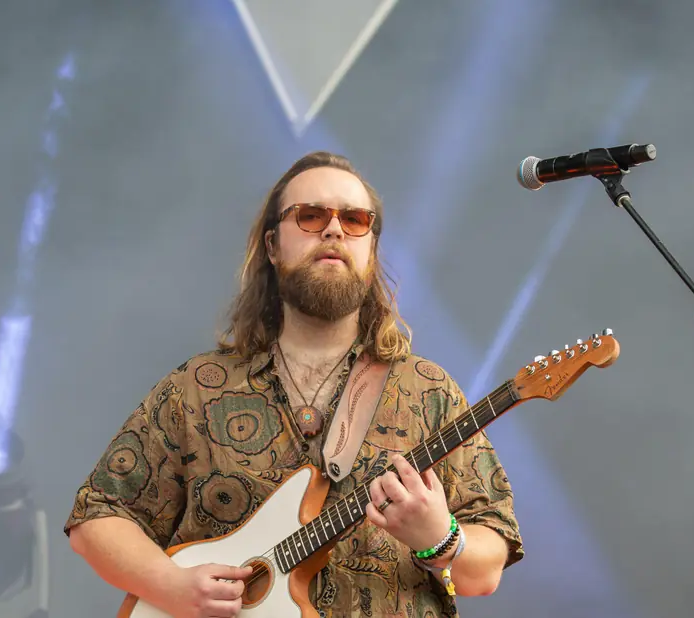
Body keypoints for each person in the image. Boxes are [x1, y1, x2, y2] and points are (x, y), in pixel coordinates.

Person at [64, 151, 524, 618]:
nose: (334, 229)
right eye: (310, 215)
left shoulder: (428, 390)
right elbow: (97, 517)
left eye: (354, 219)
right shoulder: (197, 387)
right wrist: (171, 586)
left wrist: (438, 539)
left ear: (371, 250)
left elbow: (484, 573)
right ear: (271, 246)